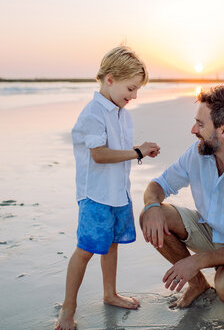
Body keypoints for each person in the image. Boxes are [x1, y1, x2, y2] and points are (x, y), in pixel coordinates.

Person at [140, 85, 224, 308]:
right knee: (150, 216)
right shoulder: (197, 153)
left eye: (201, 124)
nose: (193, 130)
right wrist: (152, 206)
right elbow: (158, 184)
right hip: (209, 231)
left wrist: (196, 261)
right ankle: (197, 284)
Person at [56, 46, 160, 330]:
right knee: (86, 249)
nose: (134, 96)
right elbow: (99, 154)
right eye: (131, 88)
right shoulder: (93, 113)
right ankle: (67, 310)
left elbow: (120, 152)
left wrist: (138, 151)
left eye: (137, 90)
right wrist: (137, 152)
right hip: (96, 196)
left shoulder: (122, 113)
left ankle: (110, 293)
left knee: (112, 244)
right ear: (110, 79)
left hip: (118, 193)